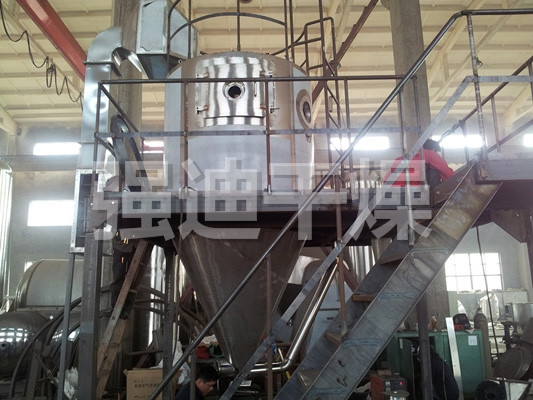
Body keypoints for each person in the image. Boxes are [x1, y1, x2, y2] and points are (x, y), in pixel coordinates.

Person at [385, 139, 455, 188]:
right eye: (437, 152)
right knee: (437, 170)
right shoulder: (429, 153)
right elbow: (447, 172)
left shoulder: (408, 156)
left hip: (389, 190)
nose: (437, 154)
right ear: (434, 149)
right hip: (406, 192)